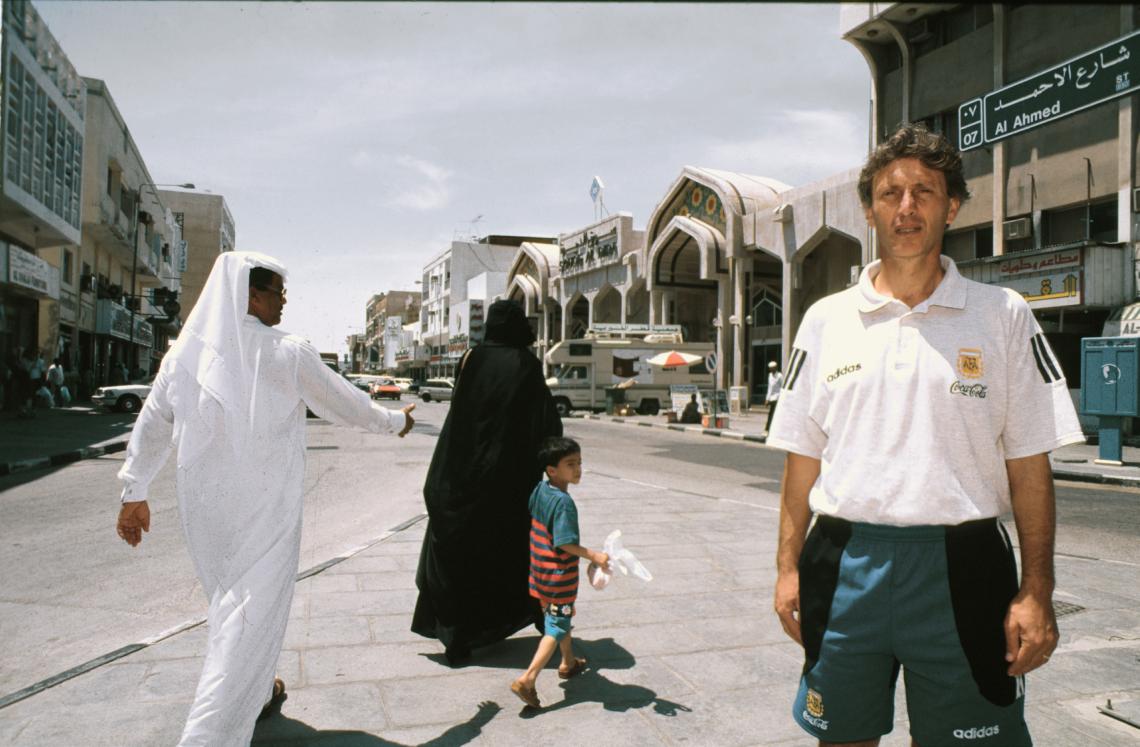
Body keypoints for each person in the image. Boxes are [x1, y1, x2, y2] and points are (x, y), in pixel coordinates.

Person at [767, 124, 1083, 747]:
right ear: (870, 209)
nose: (906, 207)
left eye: (925, 191)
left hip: (962, 568)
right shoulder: (826, 319)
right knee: (843, 738)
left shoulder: (1003, 315)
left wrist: (1037, 590)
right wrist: (785, 567)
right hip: (845, 560)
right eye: (890, 193)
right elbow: (802, 459)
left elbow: (1029, 468)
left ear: (953, 205)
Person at [114, 251, 415, 746]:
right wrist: (397, 421)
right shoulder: (288, 352)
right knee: (245, 619)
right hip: (265, 512)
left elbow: (151, 425)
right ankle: (205, 737)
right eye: (278, 291)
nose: (285, 301)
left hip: (205, 511)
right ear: (250, 295)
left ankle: (255, 696)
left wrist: (134, 491)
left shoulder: (185, 354)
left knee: (233, 612)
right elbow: (348, 405)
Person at [412, 299, 563, 664]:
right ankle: (543, 624)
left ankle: (457, 639)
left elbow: (462, 416)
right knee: (510, 554)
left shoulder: (471, 358)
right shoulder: (525, 362)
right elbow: (546, 421)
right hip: (508, 482)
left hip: (462, 476)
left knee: (460, 557)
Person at [510, 436, 608, 709]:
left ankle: (568, 662)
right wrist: (594, 556)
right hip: (559, 577)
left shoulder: (541, 489)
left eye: (579, 463)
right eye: (570, 464)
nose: (577, 469)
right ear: (552, 469)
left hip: (539, 571)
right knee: (555, 625)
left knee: (556, 617)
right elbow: (564, 543)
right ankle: (528, 679)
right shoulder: (564, 503)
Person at [764, 360, 782, 435]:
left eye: (772, 368)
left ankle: (767, 429)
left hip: (777, 398)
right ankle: (769, 429)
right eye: (770, 368)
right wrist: (767, 399)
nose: (771, 370)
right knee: (772, 414)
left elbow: (782, 387)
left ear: (775, 368)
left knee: (772, 414)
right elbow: (769, 388)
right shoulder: (770, 375)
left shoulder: (780, 376)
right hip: (771, 398)